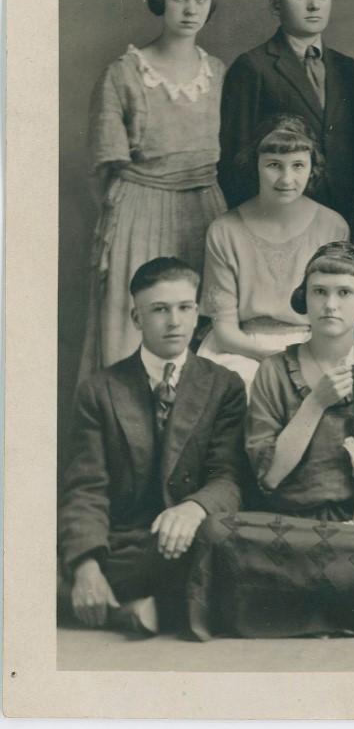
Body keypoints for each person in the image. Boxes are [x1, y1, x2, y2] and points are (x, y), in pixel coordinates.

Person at [186, 243, 354, 639]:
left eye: (344, 293)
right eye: (319, 292)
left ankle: (279, 607)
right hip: (282, 527)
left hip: (352, 529)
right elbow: (269, 476)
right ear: (305, 299)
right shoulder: (273, 371)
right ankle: (335, 607)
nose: (330, 304)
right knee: (215, 532)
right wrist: (316, 402)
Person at [61, 258, 248, 635]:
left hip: (197, 533)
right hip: (128, 542)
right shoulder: (100, 390)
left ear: (197, 313)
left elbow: (228, 476)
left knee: (227, 546)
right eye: (159, 310)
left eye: (184, 308)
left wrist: (194, 508)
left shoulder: (223, 385)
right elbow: (87, 487)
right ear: (136, 317)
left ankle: (136, 608)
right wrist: (86, 567)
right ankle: (137, 602)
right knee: (44, 565)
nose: (174, 321)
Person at [79, 0, 228, 380]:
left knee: (198, 325)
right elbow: (105, 167)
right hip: (138, 211)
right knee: (134, 324)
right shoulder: (124, 73)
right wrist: (124, 220)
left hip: (204, 209)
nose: (190, 8)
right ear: (158, 2)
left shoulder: (217, 72)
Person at [198, 117, 349, 390]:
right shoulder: (225, 231)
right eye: (274, 166)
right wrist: (277, 360)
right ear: (255, 164)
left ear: (312, 167)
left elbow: (336, 316)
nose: (286, 179)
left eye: (298, 165)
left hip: (312, 344)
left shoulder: (332, 226)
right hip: (241, 348)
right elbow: (225, 332)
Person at [218, 0, 354, 216]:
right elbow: (234, 162)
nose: (314, 5)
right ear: (275, 3)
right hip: (279, 215)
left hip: (344, 213)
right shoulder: (252, 67)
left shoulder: (348, 68)